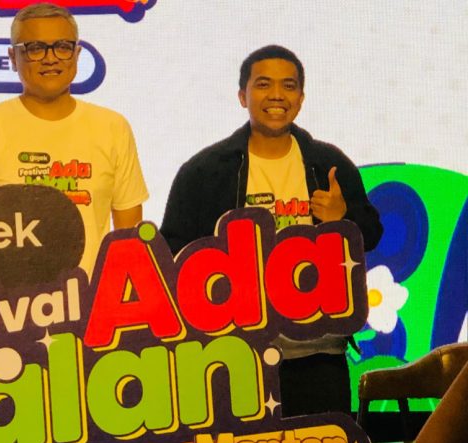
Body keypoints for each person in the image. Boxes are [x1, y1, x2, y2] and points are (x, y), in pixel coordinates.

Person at [160, 45, 383, 416]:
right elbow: (173, 254)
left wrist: (342, 221)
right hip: (233, 355)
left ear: (301, 98)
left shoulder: (328, 163)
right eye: (263, 84)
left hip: (319, 354)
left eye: (288, 86)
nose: (277, 95)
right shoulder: (204, 171)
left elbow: (371, 235)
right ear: (242, 96)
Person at [0, 2, 149, 274]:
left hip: (90, 298)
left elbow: (130, 241)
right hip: (4, 299)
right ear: (13, 57)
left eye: (62, 47)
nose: (50, 58)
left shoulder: (112, 127)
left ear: (77, 54)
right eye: (35, 48)